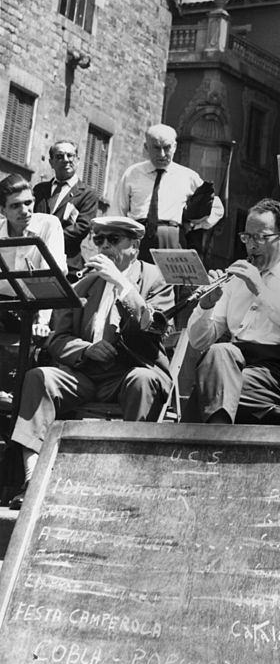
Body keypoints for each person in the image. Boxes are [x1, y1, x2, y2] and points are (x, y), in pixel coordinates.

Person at [6, 216, 173, 510]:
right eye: (99, 240)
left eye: (114, 240)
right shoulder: (86, 282)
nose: (105, 247)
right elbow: (57, 337)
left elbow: (155, 329)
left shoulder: (155, 279)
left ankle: (131, 481)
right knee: (39, 377)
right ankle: (32, 481)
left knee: (141, 381)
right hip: (86, 374)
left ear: (134, 246)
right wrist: (85, 350)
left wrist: (122, 284)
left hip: (131, 372)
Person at [186, 198, 280, 425]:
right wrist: (206, 304)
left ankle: (207, 446)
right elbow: (198, 341)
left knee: (208, 388)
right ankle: (217, 438)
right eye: (247, 237)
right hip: (233, 365)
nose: (251, 245)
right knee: (219, 352)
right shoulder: (236, 279)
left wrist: (261, 291)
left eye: (261, 237)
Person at [111, 123, 224, 260]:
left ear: (175, 147)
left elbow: (216, 206)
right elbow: (117, 212)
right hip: (137, 237)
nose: (162, 154)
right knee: (135, 278)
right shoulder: (132, 173)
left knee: (169, 280)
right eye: (156, 148)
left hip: (172, 238)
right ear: (146, 147)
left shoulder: (187, 176)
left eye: (167, 148)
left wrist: (195, 224)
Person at [0, 174, 67, 337]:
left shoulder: (49, 225)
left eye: (28, 203)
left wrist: (42, 322)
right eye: (15, 206)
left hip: (38, 308)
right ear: (2, 210)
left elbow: (51, 277)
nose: (24, 211)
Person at [31, 139, 99, 277]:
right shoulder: (39, 190)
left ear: (78, 160)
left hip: (68, 266)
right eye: (59, 156)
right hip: (34, 261)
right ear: (51, 162)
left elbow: (81, 228)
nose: (66, 160)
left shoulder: (87, 194)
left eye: (70, 155)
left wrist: (47, 239)